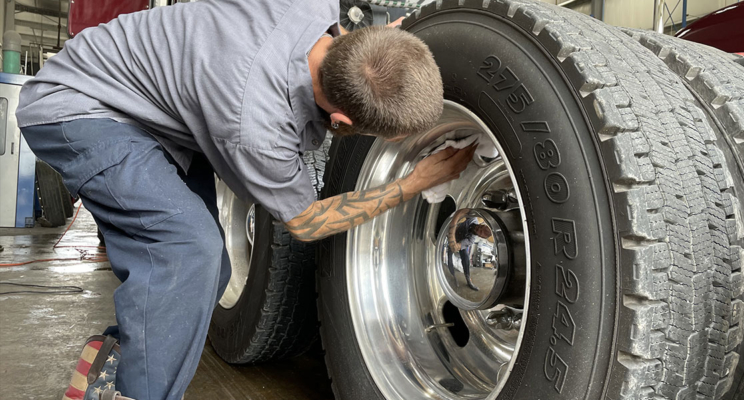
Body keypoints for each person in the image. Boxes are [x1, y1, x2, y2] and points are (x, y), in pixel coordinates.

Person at [16, 1, 476, 399]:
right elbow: (307, 224)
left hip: (153, 106)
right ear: (338, 118)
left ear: (386, 31)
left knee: (208, 270)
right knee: (186, 251)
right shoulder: (255, 128)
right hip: (79, 104)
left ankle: (121, 360)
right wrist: (411, 184)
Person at [446, 210, 493, 291]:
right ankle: (453, 277)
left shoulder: (471, 239)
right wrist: (453, 225)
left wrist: (452, 234)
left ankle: (468, 280)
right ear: (482, 225)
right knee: (448, 257)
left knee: (466, 259)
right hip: (452, 235)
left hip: (458, 242)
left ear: (480, 236)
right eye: (481, 227)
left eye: (480, 232)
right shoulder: (473, 219)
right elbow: (461, 212)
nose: (478, 229)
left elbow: (455, 247)